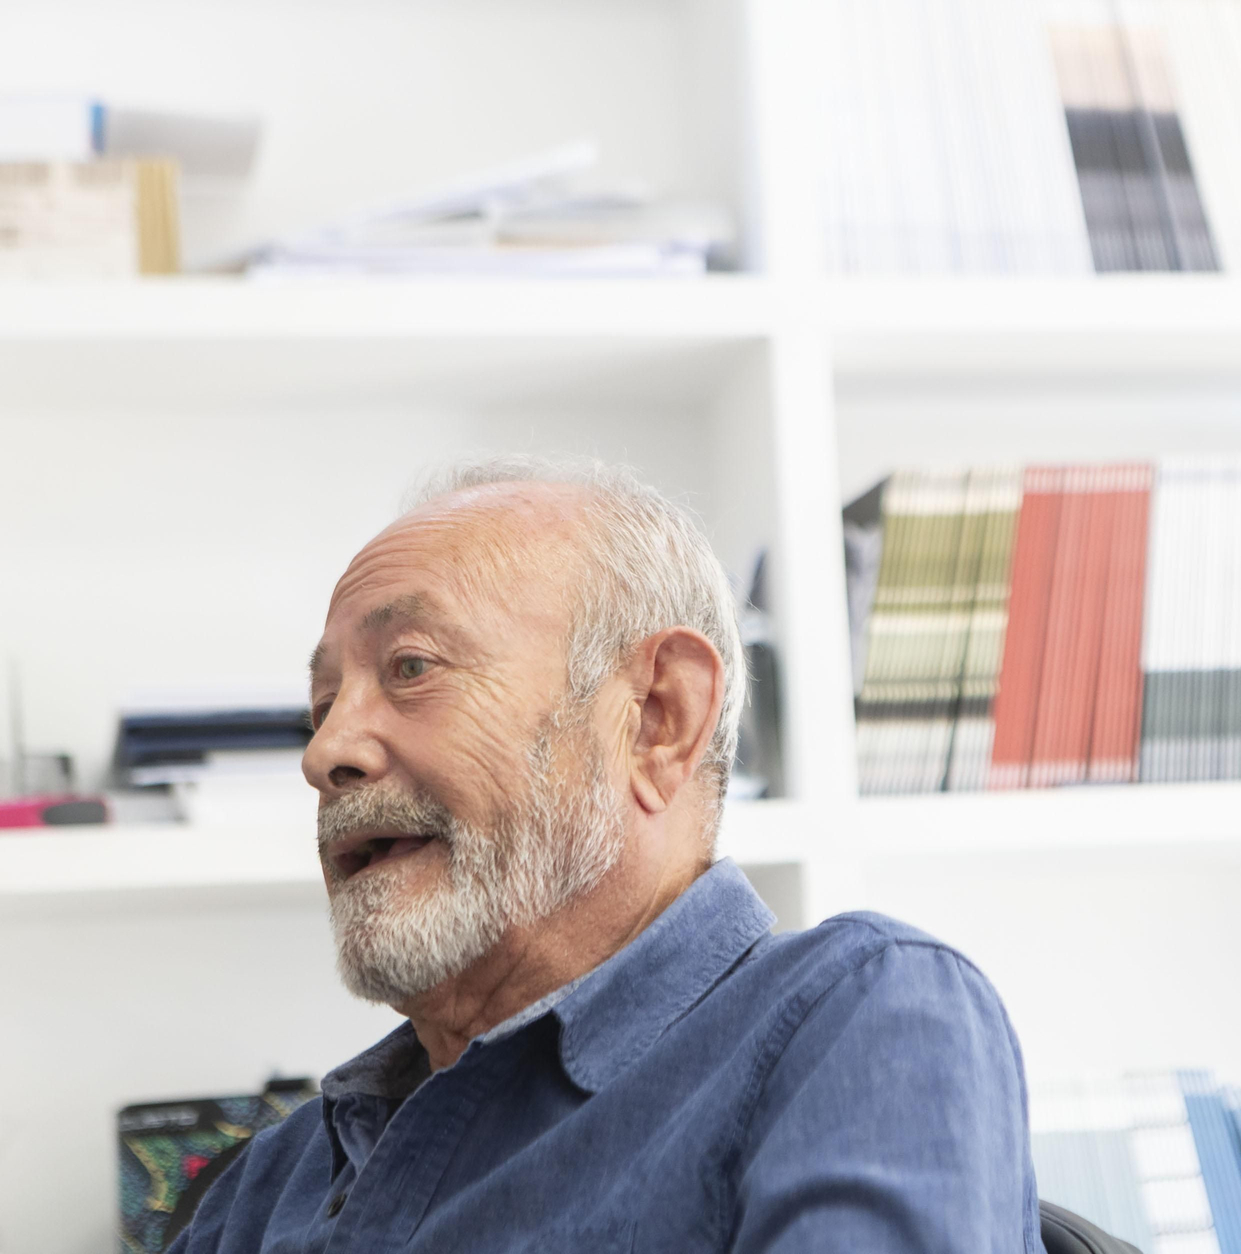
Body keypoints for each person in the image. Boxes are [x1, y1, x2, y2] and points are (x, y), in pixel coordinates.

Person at [169, 457, 1044, 1253]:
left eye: (410, 668)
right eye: (321, 705)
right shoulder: (261, 1187)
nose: (325, 753)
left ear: (658, 716)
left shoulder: (858, 1018)